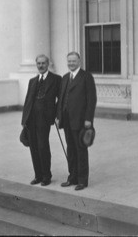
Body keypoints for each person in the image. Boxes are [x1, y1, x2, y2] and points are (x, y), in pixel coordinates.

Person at [56, 52, 97, 191]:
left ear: (79, 61)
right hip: (67, 120)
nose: (71, 64)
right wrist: (58, 116)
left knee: (81, 150)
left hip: (80, 121)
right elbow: (61, 99)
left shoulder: (86, 77)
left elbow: (91, 100)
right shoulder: (65, 77)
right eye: (69, 61)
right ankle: (72, 177)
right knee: (71, 149)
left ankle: (82, 180)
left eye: (74, 61)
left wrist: (88, 119)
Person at [21, 55, 61, 186]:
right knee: (33, 147)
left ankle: (46, 176)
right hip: (31, 119)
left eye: (43, 63)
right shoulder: (32, 81)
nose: (41, 66)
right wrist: (24, 120)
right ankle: (38, 175)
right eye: (38, 63)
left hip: (44, 119)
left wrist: (55, 114)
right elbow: (27, 101)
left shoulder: (56, 79)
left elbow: (60, 100)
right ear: (36, 64)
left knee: (43, 146)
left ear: (48, 64)